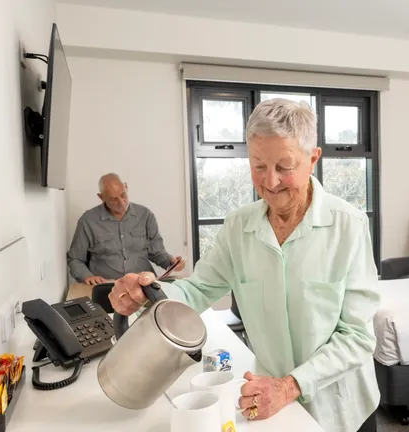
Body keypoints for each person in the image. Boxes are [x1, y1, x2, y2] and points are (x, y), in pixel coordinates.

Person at [108, 99, 380, 432]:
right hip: (270, 401)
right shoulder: (238, 227)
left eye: (284, 167)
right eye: (258, 166)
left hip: (341, 406)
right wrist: (146, 293)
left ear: (313, 159)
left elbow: (357, 336)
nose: (270, 181)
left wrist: (289, 386)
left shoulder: (349, 226)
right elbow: (196, 290)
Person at [67, 173, 186, 285]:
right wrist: (87, 276)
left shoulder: (145, 215)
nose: (121, 202)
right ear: (101, 197)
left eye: (123, 195)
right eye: (113, 199)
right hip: (107, 287)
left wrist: (171, 262)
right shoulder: (88, 220)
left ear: (126, 187)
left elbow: (157, 252)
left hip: (143, 285)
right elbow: (75, 259)